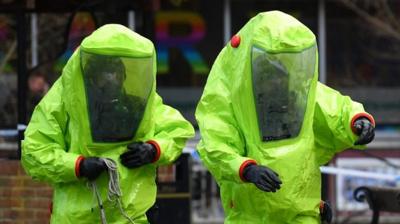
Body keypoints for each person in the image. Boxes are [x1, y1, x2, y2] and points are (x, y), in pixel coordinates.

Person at [196, 11, 375, 223]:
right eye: (267, 69)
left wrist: (358, 121)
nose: (275, 79)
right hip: (252, 215)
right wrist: (247, 169)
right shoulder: (229, 99)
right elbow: (216, 145)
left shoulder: (297, 94)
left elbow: (334, 109)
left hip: (302, 210)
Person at [21, 24, 194, 224]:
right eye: (106, 73)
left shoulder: (139, 105)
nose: (112, 79)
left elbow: (177, 130)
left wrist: (153, 149)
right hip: (77, 217)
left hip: (131, 215)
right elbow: (34, 152)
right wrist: (78, 166)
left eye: (116, 72)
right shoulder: (62, 103)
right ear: (91, 76)